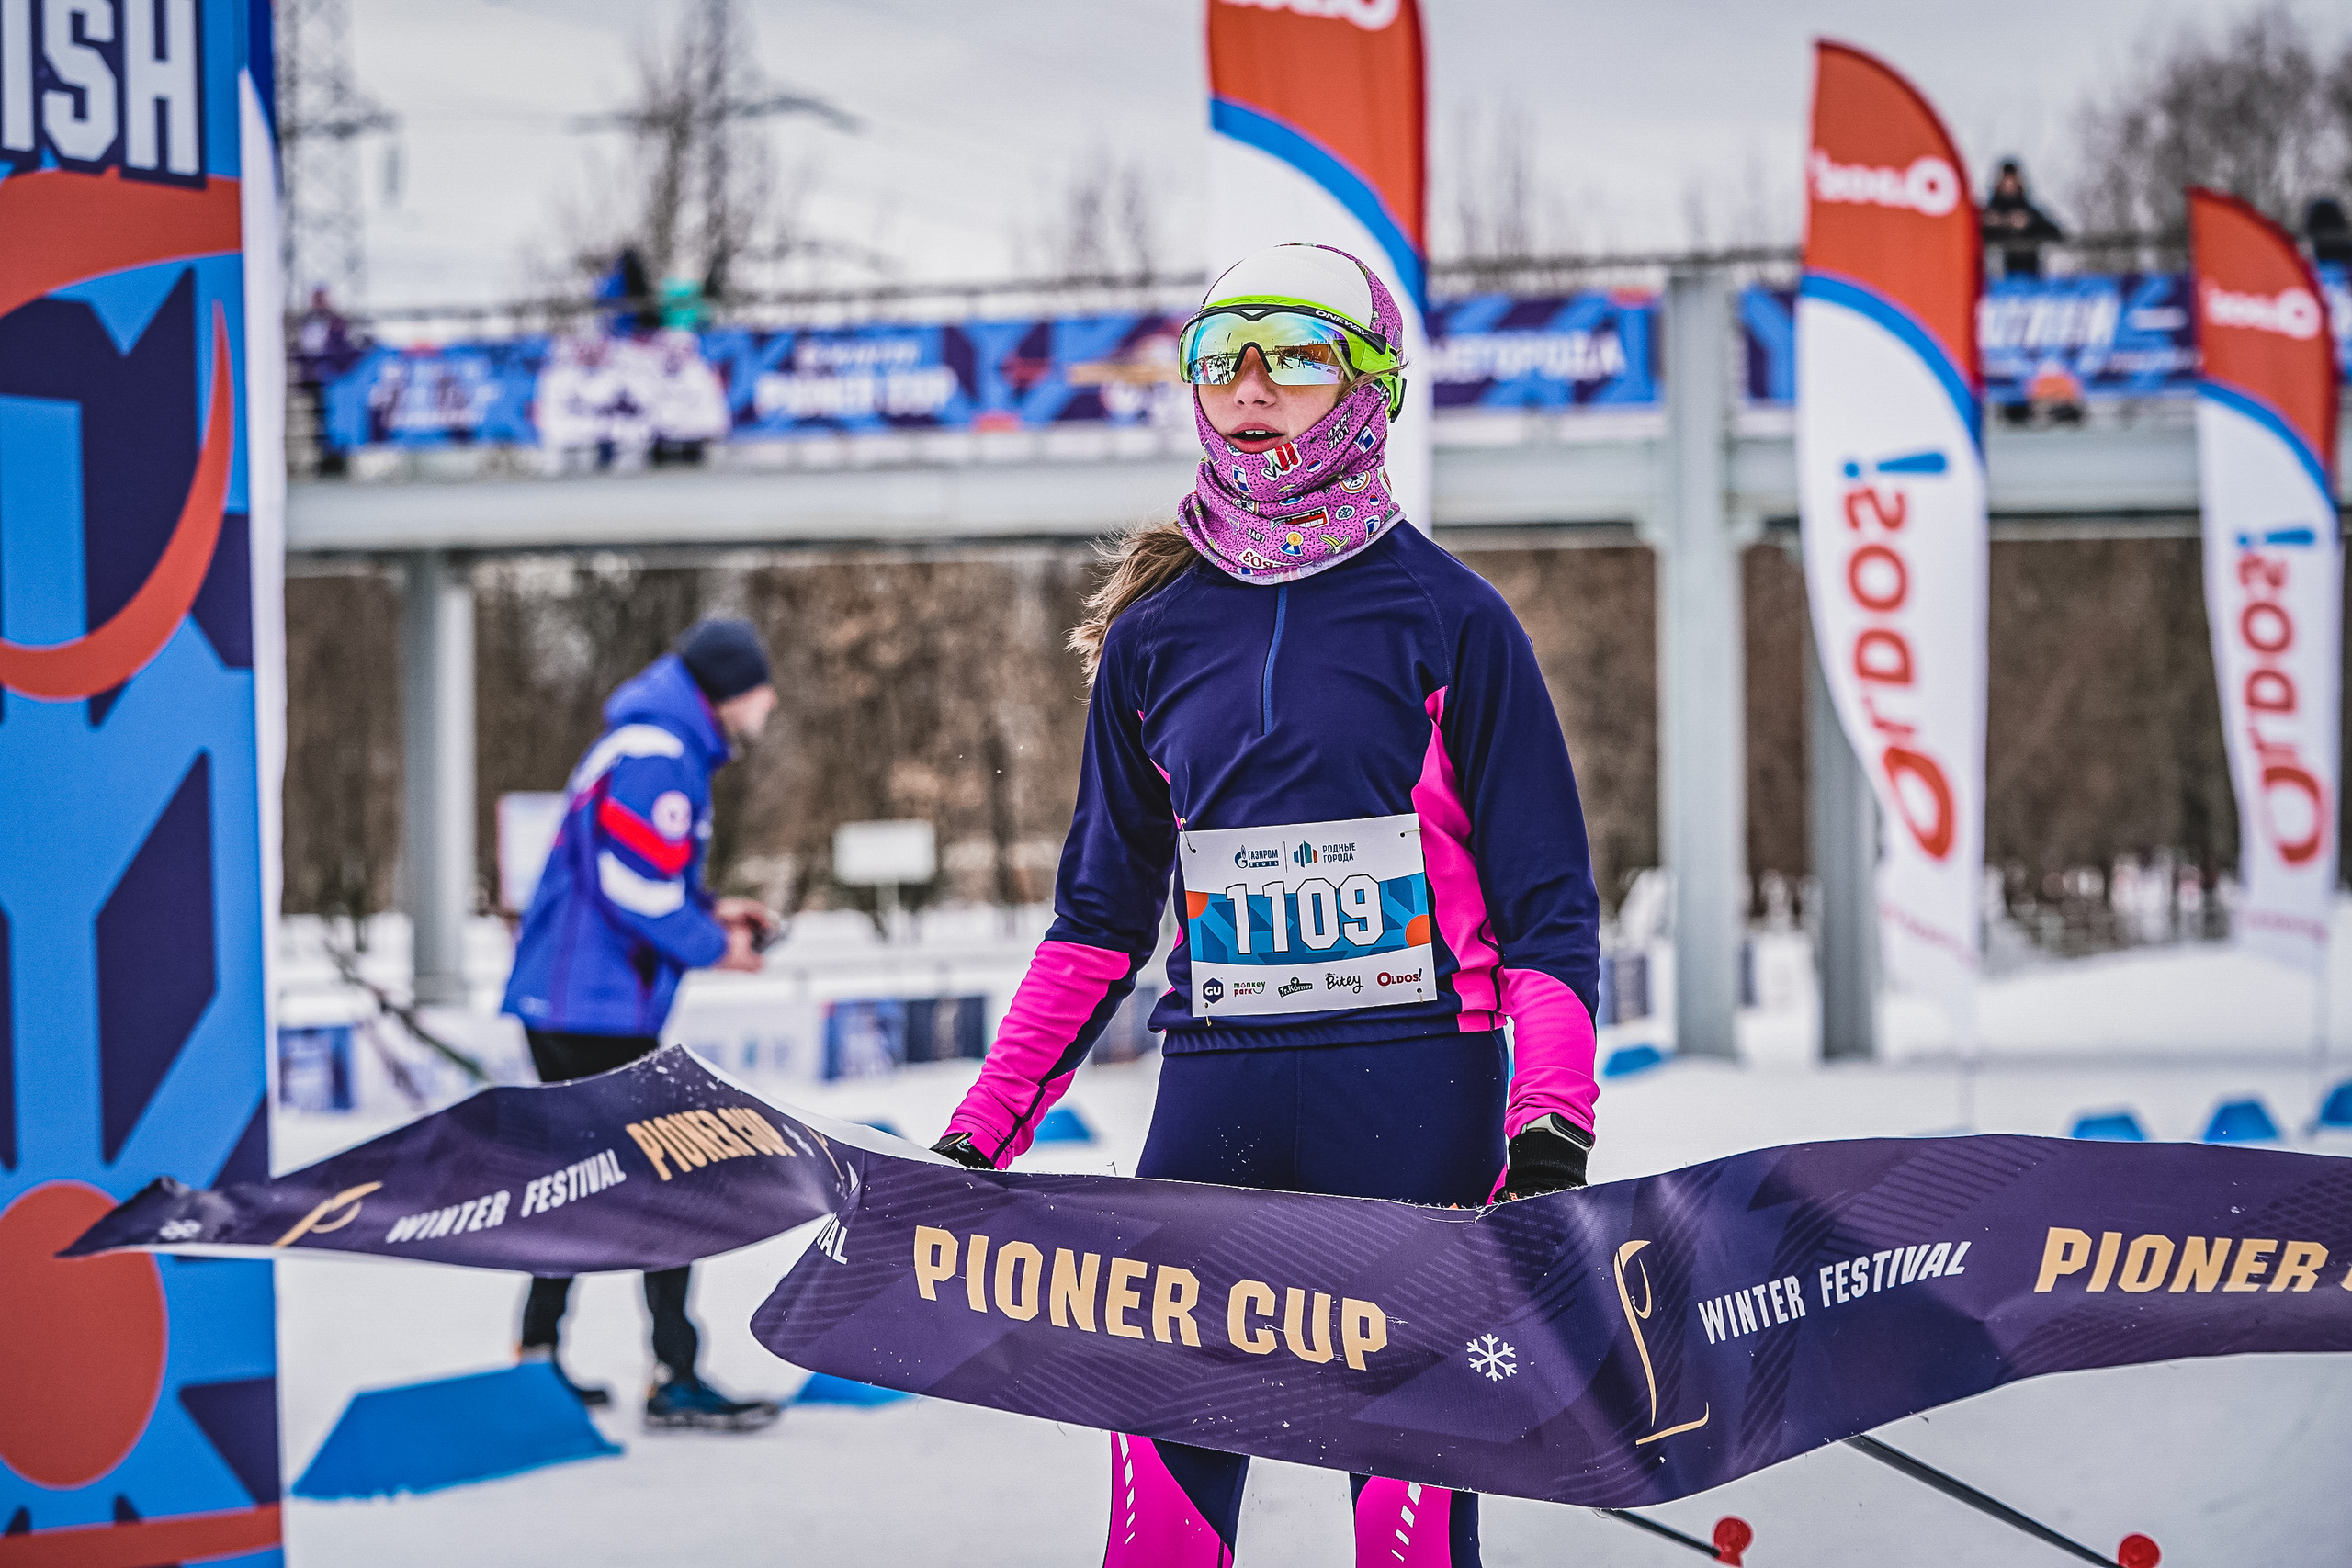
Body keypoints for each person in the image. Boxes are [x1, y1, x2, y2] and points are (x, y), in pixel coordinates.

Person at [932, 244, 1600, 1567]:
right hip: (1217, 1095)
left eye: (1294, 355)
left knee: (1407, 1540)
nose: (1251, 387)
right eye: (1219, 356)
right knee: (1159, 1533)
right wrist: (978, 1131)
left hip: (1415, 1105)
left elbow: (1548, 910)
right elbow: (1098, 918)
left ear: (1368, 386)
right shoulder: (1155, 631)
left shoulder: (1453, 619)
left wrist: (1551, 1130)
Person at [500, 617, 785, 1431]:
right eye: (762, 688)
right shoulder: (662, 753)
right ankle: (674, 1373)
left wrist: (711, 910)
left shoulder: (648, 743)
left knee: (582, 1180)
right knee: (674, 1178)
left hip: (576, 1001)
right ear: (731, 689)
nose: (769, 705)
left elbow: (634, 875)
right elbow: (636, 888)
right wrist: (713, 945)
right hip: (593, 1007)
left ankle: (536, 1356)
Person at [1981, 159, 2063, 279]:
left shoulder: (2030, 212)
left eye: (2012, 181)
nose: (2008, 186)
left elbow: (2056, 233)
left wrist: (2029, 223)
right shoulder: (1986, 213)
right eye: (2005, 181)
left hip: (2028, 282)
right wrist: (1988, 226)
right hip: (1992, 286)